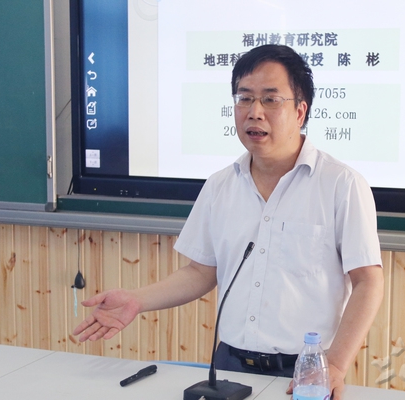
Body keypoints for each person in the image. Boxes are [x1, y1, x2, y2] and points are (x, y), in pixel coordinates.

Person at [73, 44, 384, 400]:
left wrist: (336, 365)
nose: (254, 112)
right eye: (244, 98)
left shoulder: (341, 185)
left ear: (300, 111)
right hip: (228, 366)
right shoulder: (220, 185)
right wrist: (136, 300)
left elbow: (368, 282)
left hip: (304, 373)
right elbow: (200, 272)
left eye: (270, 100)